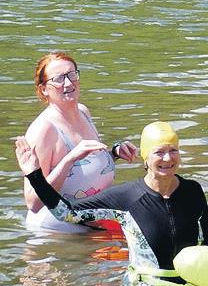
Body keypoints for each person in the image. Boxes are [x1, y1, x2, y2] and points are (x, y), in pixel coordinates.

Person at [15, 122, 208, 282]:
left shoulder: (193, 191)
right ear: (145, 156)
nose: (168, 159)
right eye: (159, 152)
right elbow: (68, 214)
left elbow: (207, 239)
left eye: (173, 151)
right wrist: (34, 174)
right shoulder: (126, 198)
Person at [21, 51, 138, 235]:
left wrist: (115, 153)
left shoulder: (83, 112)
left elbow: (86, 168)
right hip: (57, 235)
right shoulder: (44, 131)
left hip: (92, 223)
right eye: (58, 79)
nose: (68, 83)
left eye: (72, 74)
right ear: (44, 89)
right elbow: (33, 202)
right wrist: (69, 159)